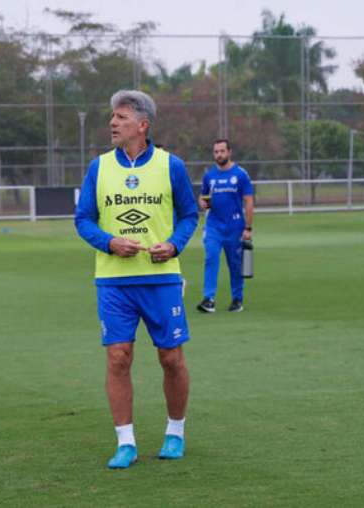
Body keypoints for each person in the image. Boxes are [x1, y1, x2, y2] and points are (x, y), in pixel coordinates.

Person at [75, 90, 198, 469]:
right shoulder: (98, 167)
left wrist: (174, 246)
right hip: (113, 282)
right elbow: (83, 220)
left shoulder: (170, 165)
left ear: (143, 125)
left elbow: (189, 215)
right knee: (117, 357)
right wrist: (110, 242)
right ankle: (125, 442)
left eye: (122, 117)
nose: (113, 122)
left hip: (161, 280)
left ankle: (175, 432)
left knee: (171, 358)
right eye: (112, 116)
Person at [196, 139, 254, 313]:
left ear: (229, 152)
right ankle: (209, 299)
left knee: (235, 264)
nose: (218, 155)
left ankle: (237, 299)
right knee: (211, 258)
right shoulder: (209, 175)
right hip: (213, 226)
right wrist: (203, 203)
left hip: (235, 226)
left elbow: (249, 201)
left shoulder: (240, 174)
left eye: (222, 151)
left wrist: (248, 228)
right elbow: (203, 196)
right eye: (216, 152)